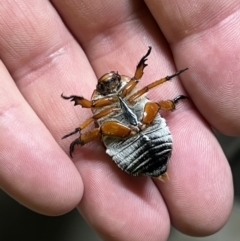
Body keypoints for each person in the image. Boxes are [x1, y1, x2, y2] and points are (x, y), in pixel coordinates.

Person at [0, 1, 237, 240]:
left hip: (143, 139)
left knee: (132, 115)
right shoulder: (98, 104)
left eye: (112, 80)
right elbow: (104, 112)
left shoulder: (111, 96)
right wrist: (81, 128)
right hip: (131, 144)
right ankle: (89, 140)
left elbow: (142, 83)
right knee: (109, 126)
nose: (109, 82)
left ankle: (165, 109)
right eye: (106, 83)